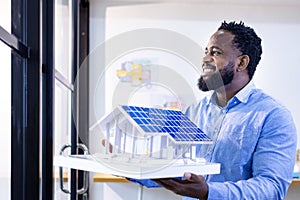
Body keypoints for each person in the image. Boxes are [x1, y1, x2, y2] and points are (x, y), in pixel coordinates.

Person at [129, 21, 298, 199]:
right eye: (206, 52)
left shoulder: (273, 116)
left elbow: (271, 188)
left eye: (215, 53)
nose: (205, 60)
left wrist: (209, 192)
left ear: (241, 63)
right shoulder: (194, 112)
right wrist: (126, 164)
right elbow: (172, 169)